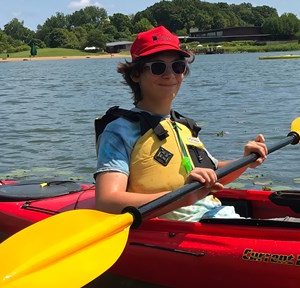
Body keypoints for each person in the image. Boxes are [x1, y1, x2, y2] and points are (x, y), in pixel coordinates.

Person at [94, 26, 268, 222]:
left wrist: (246, 160)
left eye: (178, 66)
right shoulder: (120, 131)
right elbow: (107, 202)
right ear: (135, 75)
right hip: (182, 231)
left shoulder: (183, 126)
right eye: (158, 67)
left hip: (220, 218)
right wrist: (183, 197)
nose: (170, 75)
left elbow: (215, 173)